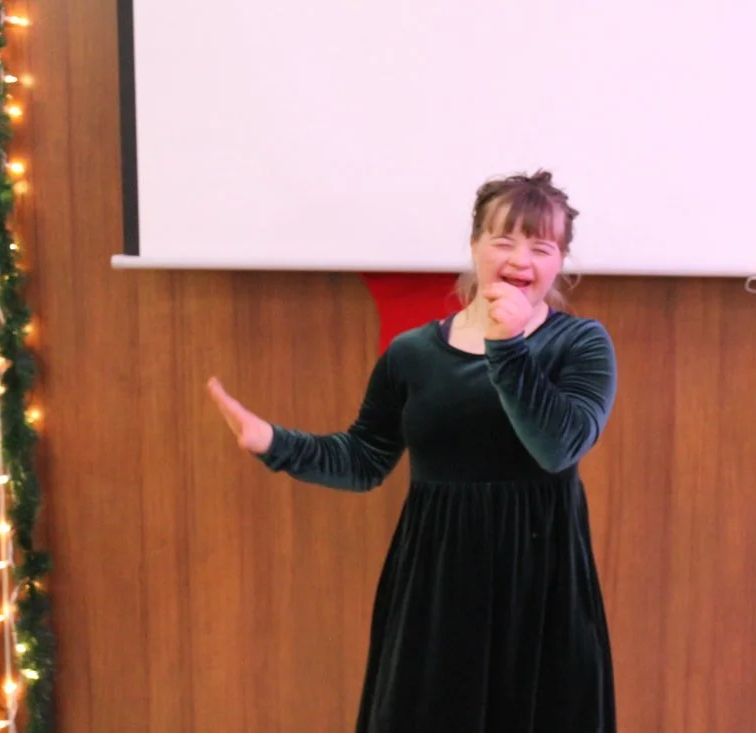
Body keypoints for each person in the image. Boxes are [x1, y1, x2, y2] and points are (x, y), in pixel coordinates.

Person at [207, 170, 619, 732]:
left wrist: (509, 345)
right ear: (474, 246)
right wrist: (275, 443)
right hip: (439, 581)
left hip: (541, 583)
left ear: (560, 261)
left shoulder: (582, 344)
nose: (520, 257)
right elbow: (364, 458)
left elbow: (558, 446)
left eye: (540, 245)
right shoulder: (412, 354)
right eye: (503, 239)